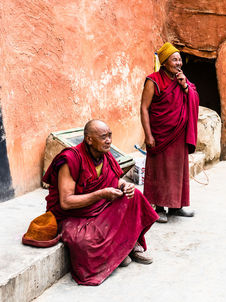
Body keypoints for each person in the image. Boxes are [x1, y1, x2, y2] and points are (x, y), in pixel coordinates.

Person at [43, 120, 159, 286]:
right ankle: (119, 253)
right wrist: (100, 194)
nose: (109, 141)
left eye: (110, 135)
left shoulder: (105, 155)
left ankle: (131, 245)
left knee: (135, 197)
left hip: (98, 206)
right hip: (74, 214)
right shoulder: (70, 159)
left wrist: (125, 185)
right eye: (103, 137)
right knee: (84, 241)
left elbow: (113, 180)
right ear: (89, 140)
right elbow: (66, 202)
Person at [140, 42, 199, 223]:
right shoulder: (153, 81)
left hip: (179, 135)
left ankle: (176, 207)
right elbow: (144, 108)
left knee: (177, 170)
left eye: (180, 59)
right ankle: (159, 207)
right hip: (160, 135)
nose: (178, 63)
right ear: (164, 62)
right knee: (161, 171)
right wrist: (148, 135)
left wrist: (186, 88)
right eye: (174, 60)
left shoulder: (182, 80)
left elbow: (195, 98)